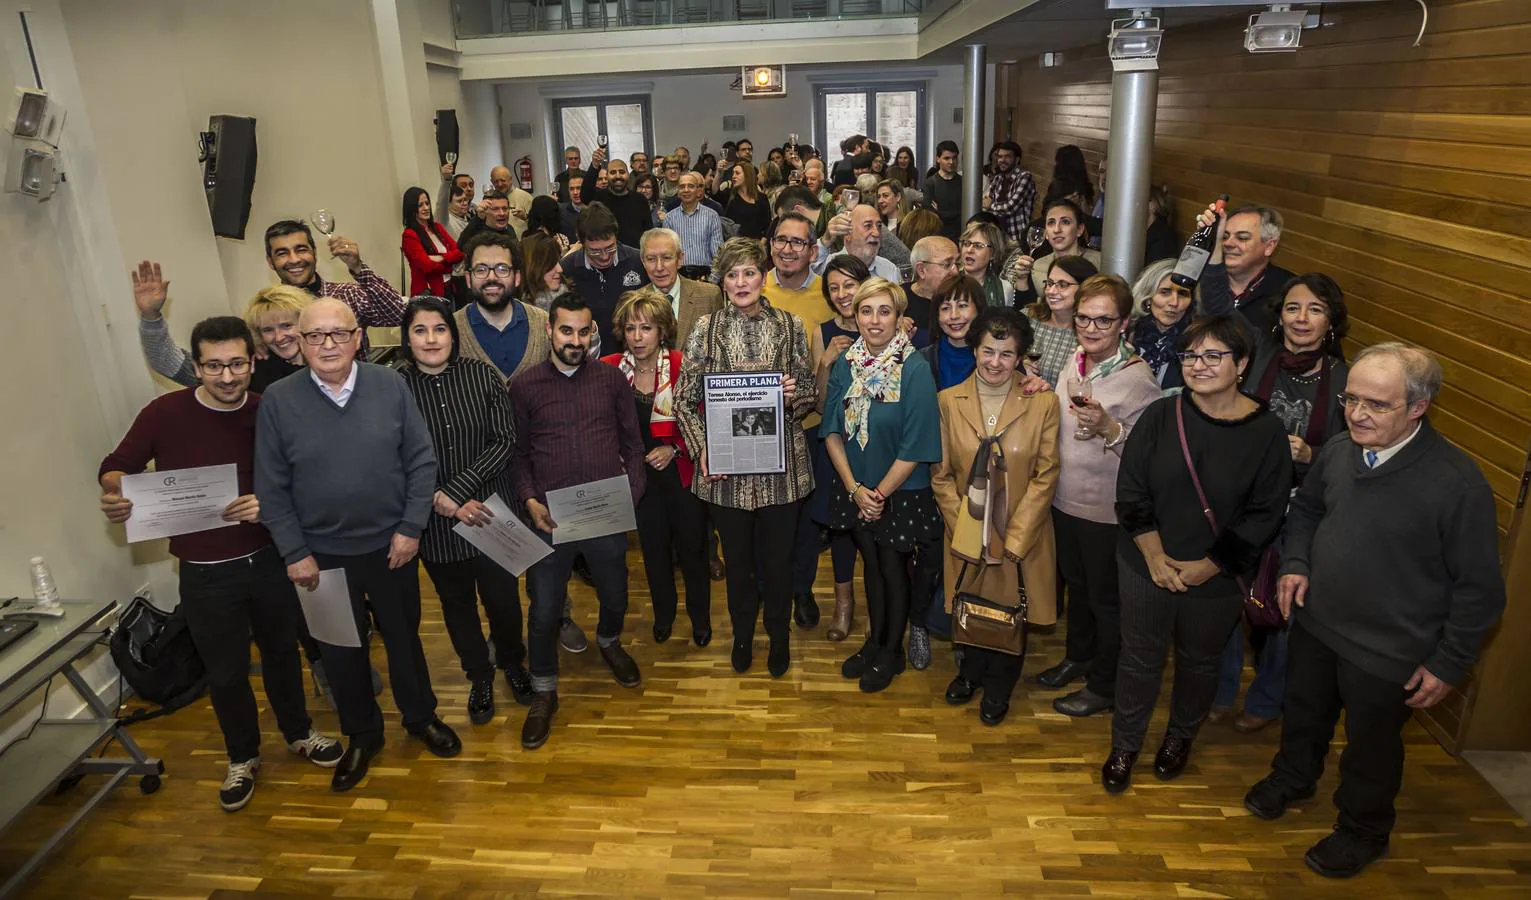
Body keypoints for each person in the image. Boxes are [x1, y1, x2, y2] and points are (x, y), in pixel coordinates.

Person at [1244, 343, 1505, 879]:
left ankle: (1362, 830)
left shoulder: (1457, 484)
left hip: (1389, 650)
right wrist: (1296, 562)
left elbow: (1481, 590)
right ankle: (1294, 777)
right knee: (1304, 714)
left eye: (1376, 405)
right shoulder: (1340, 449)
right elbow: (1310, 509)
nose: (1357, 414)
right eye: (1350, 399)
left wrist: (1449, 663)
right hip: (1317, 623)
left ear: (1418, 407)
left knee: (1370, 749)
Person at [99, 315, 343, 811]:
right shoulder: (162, 413)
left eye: (236, 364)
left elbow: (305, 475)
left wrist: (267, 501)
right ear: (196, 366)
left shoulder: (268, 410)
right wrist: (115, 494)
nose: (227, 377)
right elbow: (114, 466)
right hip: (205, 571)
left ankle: (300, 732)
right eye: (214, 367)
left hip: (270, 558)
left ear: (254, 361)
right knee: (226, 671)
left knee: (281, 654)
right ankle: (242, 757)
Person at [255, 298, 461, 792]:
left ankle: (419, 717)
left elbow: (420, 461)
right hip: (319, 557)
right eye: (315, 336)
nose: (328, 345)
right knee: (341, 650)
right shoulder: (279, 401)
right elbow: (271, 484)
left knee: (404, 639)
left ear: (358, 338)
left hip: (391, 547)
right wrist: (293, 551)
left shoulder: (389, 385)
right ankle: (363, 734)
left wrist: (412, 528)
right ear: (299, 344)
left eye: (338, 334)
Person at [1104, 315, 1292, 794]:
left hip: (1218, 574)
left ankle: (1179, 738)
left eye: (1213, 355)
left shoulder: (1266, 431)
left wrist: (1210, 565)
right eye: (1190, 356)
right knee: (1140, 659)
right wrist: (1152, 554)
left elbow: (1265, 512)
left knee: (1200, 661)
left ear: (1242, 363)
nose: (1198, 365)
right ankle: (1124, 745)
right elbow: (1131, 489)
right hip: (1146, 563)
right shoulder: (1161, 415)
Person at [1211, 273, 1351, 733]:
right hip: (1243, 500)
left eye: (1314, 309)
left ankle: (1268, 698)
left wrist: (1311, 455)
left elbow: (1349, 453)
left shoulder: (1345, 378)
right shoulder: (1257, 357)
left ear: (1330, 320)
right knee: (1226, 597)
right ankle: (1220, 688)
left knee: (1284, 605)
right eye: (1293, 308)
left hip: (1301, 512)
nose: (1302, 318)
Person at [509, 293, 649, 750]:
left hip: (604, 511)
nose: (574, 339)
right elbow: (520, 455)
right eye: (565, 330)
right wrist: (529, 500)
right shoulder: (525, 386)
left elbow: (632, 444)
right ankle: (544, 691)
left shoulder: (611, 380)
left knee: (615, 592)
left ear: (593, 333)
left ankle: (609, 641)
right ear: (549, 330)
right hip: (548, 516)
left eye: (582, 331)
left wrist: (629, 495)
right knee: (545, 608)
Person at [676, 238, 816, 677]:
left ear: (763, 275)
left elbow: (810, 393)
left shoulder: (791, 327)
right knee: (738, 567)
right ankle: (741, 635)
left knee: (777, 565)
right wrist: (703, 451)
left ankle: (778, 637)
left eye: (749, 273)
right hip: (727, 474)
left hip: (782, 473)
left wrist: (796, 394)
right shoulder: (705, 330)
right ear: (721, 281)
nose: (741, 283)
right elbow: (683, 400)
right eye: (732, 275)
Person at [396, 297, 532, 725]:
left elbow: (504, 439)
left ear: (453, 336)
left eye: (439, 329)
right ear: (407, 339)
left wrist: (456, 491)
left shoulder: (481, 375)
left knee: (505, 603)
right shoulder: (394, 388)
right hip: (435, 521)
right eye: (420, 330)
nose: (431, 338)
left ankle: (512, 663)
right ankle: (479, 676)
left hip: (491, 511)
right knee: (457, 607)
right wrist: (440, 499)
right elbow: (389, 454)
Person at [1038, 275, 1165, 720]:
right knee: (1077, 588)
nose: (1091, 329)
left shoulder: (1137, 378)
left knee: (1106, 602)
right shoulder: (1076, 363)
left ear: (1124, 323)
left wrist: (1112, 430)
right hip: (1065, 500)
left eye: (1103, 321)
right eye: (1084, 319)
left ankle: (1105, 685)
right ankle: (1080, 656)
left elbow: (1152, 454)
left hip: (1106, 510)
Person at [932, 306, 1060, 725]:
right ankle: (970, 674)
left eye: (1006, 354)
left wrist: (1015, 539)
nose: (994, 363)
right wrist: (965, 528)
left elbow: (1046, 474)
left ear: (1021, 356)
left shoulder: (1042, 402)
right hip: (967, 532)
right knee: (972, 604)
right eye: (987, 351)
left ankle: (1000, 686)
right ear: (974, 350)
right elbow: (941, 475)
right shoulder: (948, 402)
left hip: (1023, 534)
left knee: (1011, 612)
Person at [822, 277, 943, 690]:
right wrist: (855, 489)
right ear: (854, 317)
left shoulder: (915, 368)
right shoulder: (846, 363)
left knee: (893, 570)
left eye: (884, 311)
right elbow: (832, 430)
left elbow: (916, 445)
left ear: (899, 318)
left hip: (899, 491)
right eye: (866, 311)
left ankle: (892, 652)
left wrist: (878, 495)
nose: (874, 321)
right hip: (857, 487)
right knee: (870, 567)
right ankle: (875, 641)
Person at [601, 287, 712, 646]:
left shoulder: (682, 365)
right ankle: (664, 615)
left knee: (693, 551)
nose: (637, 337)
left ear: (662, 330)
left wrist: (674, 447)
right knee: (653, 553)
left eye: (646, 328)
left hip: (681, 474)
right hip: (637, 480)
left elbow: (707, 419)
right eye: (630, 329)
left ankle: (700, 620)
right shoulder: (609, 369)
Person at [808, 255, 871, 642]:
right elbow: (817, 404)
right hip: (837, 447)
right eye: (834, 287)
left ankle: (884, 605)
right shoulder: (823, 331)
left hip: (879, 446)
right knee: (842, 529)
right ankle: (843, 604)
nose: (843, 293)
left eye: (849, 284)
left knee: (880, 529)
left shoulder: (883, 323)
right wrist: (827, 362)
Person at [261, 220, 405, 341]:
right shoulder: (269, 311)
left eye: (301, 249)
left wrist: (358, 268)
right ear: (270, 262)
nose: (294, 259)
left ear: (314, 253)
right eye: (282, 253)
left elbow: (399, 316)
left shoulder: (348, 295)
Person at [454, 231, 553, 385]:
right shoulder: (452, 329)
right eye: (481, 269)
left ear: (517, 277)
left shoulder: (543, 323)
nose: (491, 277)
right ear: (468, 279)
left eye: (502, 269)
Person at [1194, 202, 1295, 338]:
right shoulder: (1202, 279)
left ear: (1269, 246)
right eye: (1224, 237)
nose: (1228, 243)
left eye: (1242, 238)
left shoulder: (1288, 291)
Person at [559, 203, 649, 353]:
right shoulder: (567, 268)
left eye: (610, 248)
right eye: (594, 251)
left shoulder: (637, 261)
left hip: (632, 354)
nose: (604, 256)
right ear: (581, 243)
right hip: (587, 357)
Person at [640, 227, 722, 349]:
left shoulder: (709, 296)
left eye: (667, 258)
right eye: (651, 259)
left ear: (680, 259)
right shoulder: (634, 303)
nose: (659, 267)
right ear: (643, 262)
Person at [1024, 256, 1097, 388]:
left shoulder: (1089, 335)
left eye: (1063, 285)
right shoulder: (1028, 318)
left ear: (1084, 289)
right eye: (1050, 283)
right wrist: (1018, 365)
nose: (1051, 291)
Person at [1011, 199, 1102, 302]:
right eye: (1051, 223)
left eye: (1065, 222)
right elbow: (1027, 311)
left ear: (1079, 230)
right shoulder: (1038, 266)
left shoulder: (1099, 262)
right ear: (1046, 233)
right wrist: (1021, 280)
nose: (1057, 230)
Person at [1127, 259, 1196, 391]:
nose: (1174, 302)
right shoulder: (1128, 334)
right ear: (1148, 297)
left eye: (1183, 294)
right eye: (1165, 292)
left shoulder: (1195, 341)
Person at [919, 274, 985, 391]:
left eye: (962, 306)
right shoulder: (922, 360)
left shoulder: (995, 358)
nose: (954, 315)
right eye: (945, 308)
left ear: (979, 309)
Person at [401, 187, 464, 298]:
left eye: (427, 203)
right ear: (411, 208)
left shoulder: (437, 227)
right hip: (429, 293)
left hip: (449, 287)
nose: (426, 208)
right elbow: (427, 266)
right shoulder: (409, 235)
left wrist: (442, 258)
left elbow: (460, 253)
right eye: (420, 205)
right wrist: (450, 264)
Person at [812, 204, 900, 283]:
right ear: (848, 233)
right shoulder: (827, 265)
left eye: (879, 226)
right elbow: (808, 272)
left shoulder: (890, 270)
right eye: (868, 225)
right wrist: (825, 241)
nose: (876, 233)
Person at [583, 149, 651, 248]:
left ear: (628, 174)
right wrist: (595, 165)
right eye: (613, 172)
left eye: (622, 172)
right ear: (607, 176)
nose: (618, 176)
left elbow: (648, 231)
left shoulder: (640, 200)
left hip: (636, 255)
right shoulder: (599, 198)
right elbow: (585, 196)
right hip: (606, 254)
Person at [662, 171, 724, 279]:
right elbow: (666, 253)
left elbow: (718, 253)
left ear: (698, 191)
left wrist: (713, 281)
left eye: (690, 186)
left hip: (705, 276)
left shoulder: (712, 216)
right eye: (682, 187)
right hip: (678, 278)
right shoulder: (669, 218)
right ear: (678, 191)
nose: (686, 190)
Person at [903, 236, 960, 348]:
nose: (955, 271)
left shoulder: (965, 297)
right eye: (947, 264)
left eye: (957, 263)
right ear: (921, 270)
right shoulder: (897, 300)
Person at [982, 141, 1036, 249]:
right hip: (997, 237)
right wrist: (989, 205)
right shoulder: (998, 178)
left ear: (1017, 160)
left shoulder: (1025, 177)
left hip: (1016, 239)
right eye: (1000, 156)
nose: (1002, 160)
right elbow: (986, 202)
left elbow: (1011, 207)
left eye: (1007, 157)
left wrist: (991, 206)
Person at [959, 220, 1013, 309]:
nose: (969, 250)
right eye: (966, 244)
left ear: (993, 254)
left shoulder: (1005, 288)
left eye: (978, 246)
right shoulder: (949, 283)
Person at [720, 161, 772, 240]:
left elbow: (767, 225)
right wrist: (718, 172)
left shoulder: (762, 198)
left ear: (747, 175)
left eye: (737, 173)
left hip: (756, 244)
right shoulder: (729, 195)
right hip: (737, 245)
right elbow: (714, 192)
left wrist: (763, 242)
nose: (733, 176)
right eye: (733, 173)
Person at [521, 232, 568, 313]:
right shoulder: (523, 315)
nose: (560, 269)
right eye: (551, 264)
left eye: (558, 261)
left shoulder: (571, 300)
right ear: (533, 268)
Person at [925, 141, 963, 240]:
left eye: (954, 158)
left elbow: (965, 213)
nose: (951, 162)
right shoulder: (931, 183)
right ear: (938, 159)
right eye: (947, 158)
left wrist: (941, 212)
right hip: (938, 235)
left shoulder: (963, 182)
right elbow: (931, 215)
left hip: (960, 234)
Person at [484, 165, 534, 238]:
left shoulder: (525, 197)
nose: (500, 184)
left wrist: (526, 217)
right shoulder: (488, 199)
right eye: (496, 181)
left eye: (503, 180)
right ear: (491, 182)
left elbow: (538, 225)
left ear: (510, 179)